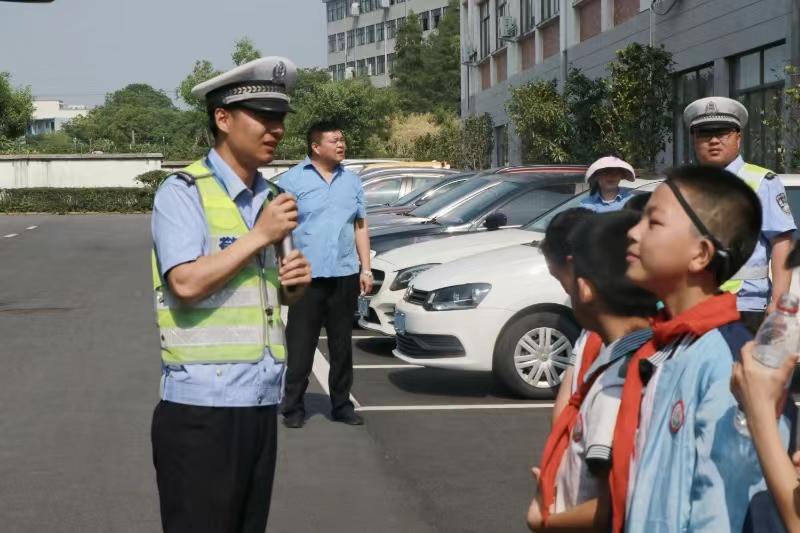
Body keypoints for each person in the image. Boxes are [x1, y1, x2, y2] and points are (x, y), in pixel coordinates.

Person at [150, 57, 312, 532]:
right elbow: (184, 284)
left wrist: (291, 289)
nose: (275, 129)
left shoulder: (271, 198)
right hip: (202, 409)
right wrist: (260, 237)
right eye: (263, 116)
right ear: (223, 118)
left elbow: (264, 297)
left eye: (280, 118)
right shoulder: (182, 192)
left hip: (260, 402)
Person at [612, 165, 791, 533]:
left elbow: (725, 512)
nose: (633, 232)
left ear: (700, 254)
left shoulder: (732, 367)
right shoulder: (674, 345)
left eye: (653, 222)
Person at [527, 211, 660, 532]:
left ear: (583, 287)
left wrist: (543, 521)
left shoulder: (616, 382)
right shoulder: (641, 353)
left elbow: (610, 506)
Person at [278, 122, 373, 428]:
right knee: (301, 345)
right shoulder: (292, 180)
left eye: (342, 139)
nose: (341, 144)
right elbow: (282, 229)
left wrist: (365, 267)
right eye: (334, 140)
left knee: (342, 345)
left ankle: (342, 405)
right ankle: (293, 406)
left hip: (343, 274)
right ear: (316, 147)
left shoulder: (353, 182)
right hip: (306, 277)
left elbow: (360, 226)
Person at [684, 96, 796, 333]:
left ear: (738, 137)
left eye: (723, 133)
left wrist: (778, 302)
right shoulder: (684, 186)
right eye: (705, 134)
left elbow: (781, 242)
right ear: (694, 139)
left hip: (744, 305)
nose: (714, 140)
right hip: (691, 304)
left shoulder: (762, 181)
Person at [539, 207, 598, 425]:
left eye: (560, 279)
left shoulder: (608, 333)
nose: (565, 290)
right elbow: (567, 400)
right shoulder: (590, 331)